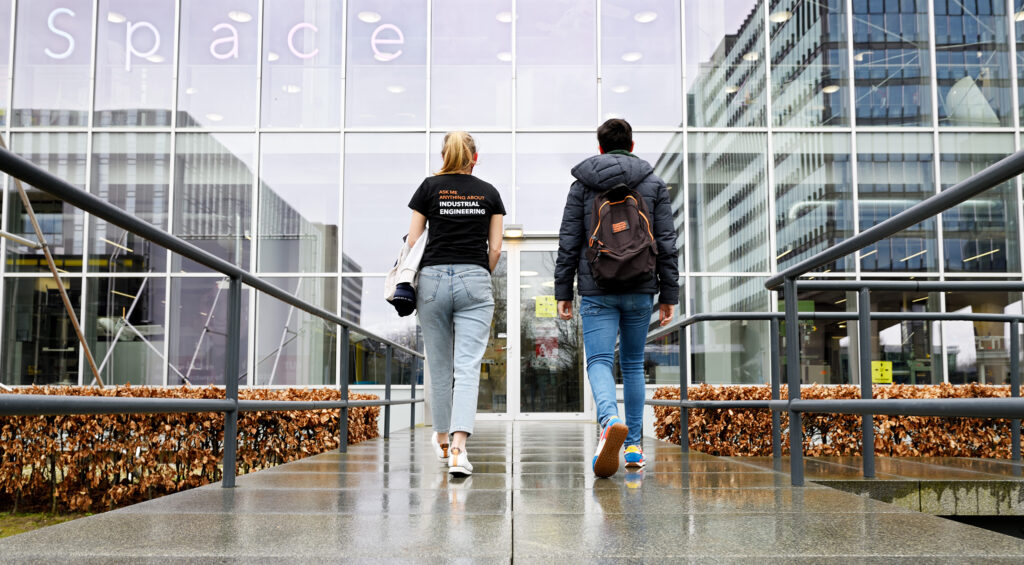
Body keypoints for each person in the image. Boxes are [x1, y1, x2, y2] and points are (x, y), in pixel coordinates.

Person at [555, 118, 679, 478]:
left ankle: (609, 419)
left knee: (598, 360)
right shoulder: (653, 184)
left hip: (597, 286)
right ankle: (635, 447)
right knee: (634, 364)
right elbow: (667, 242)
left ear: (600, 148)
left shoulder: (582, 187)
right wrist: (669, 292)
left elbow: (568, 241)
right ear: (632, 145)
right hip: (641, 285)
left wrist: (563, 290)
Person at [407, 131, 505, 477]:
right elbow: (495, 250)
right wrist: (477, 273)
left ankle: (441, 436)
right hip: (474, 279)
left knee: (439, 365)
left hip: (431, 280)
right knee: (466, 367)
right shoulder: (489, 193)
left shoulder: (428, 188)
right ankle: (459, 451)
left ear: (444, 155)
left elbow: (414, 240)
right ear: (474, 158)